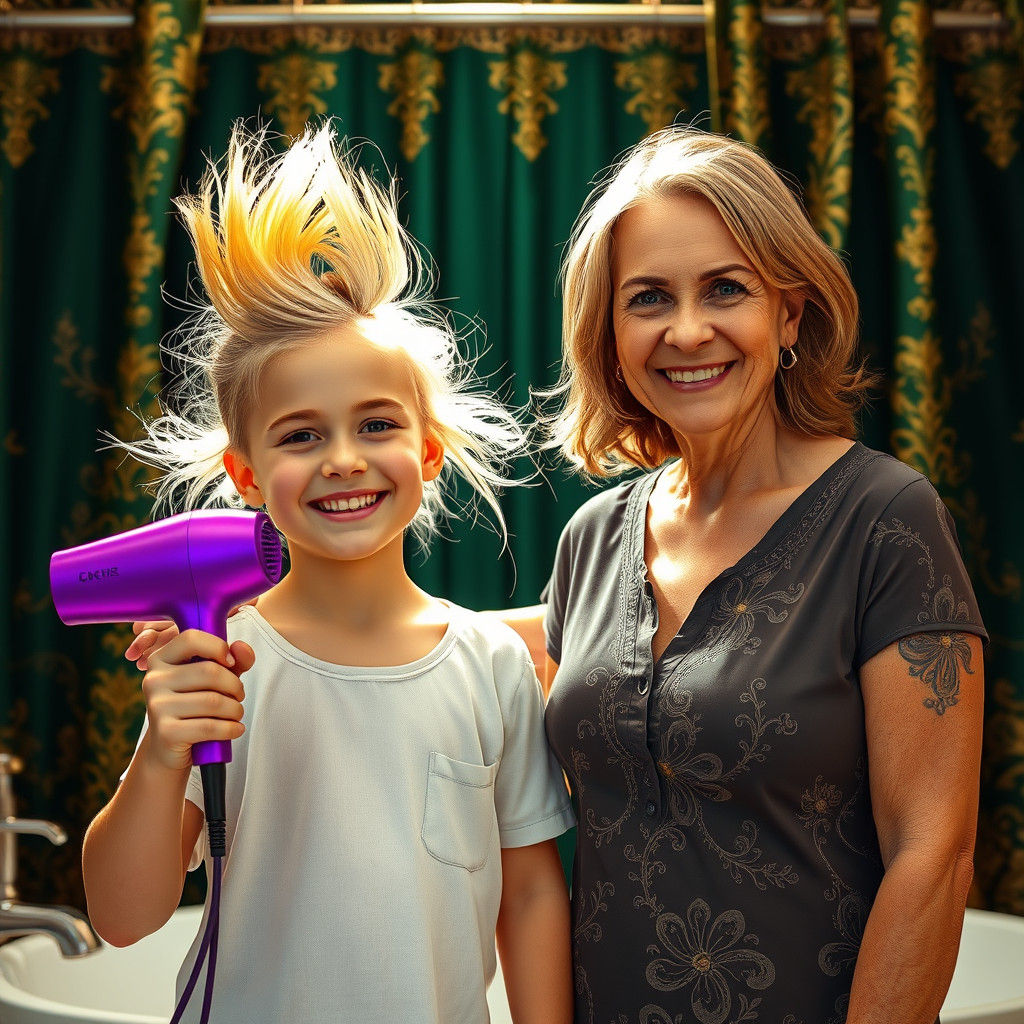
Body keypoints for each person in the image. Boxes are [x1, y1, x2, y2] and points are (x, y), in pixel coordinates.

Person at [126, 126, 987, 1024]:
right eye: (648, 298)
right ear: (610, 332)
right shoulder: (599, 537)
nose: (687, 329)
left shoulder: (886, 519)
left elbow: (934, 853)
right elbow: (465, 647)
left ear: (792, 314)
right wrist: (246, 621)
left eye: (725, 288)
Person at [83, 121, 574, 1024]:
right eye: (301, 435)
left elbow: (533, 892)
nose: (344, 459)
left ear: (428, 452)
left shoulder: (493, 666)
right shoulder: (222, 660)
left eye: (377, 425)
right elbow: (122, 919)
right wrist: (161, 751)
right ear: (246, 476)